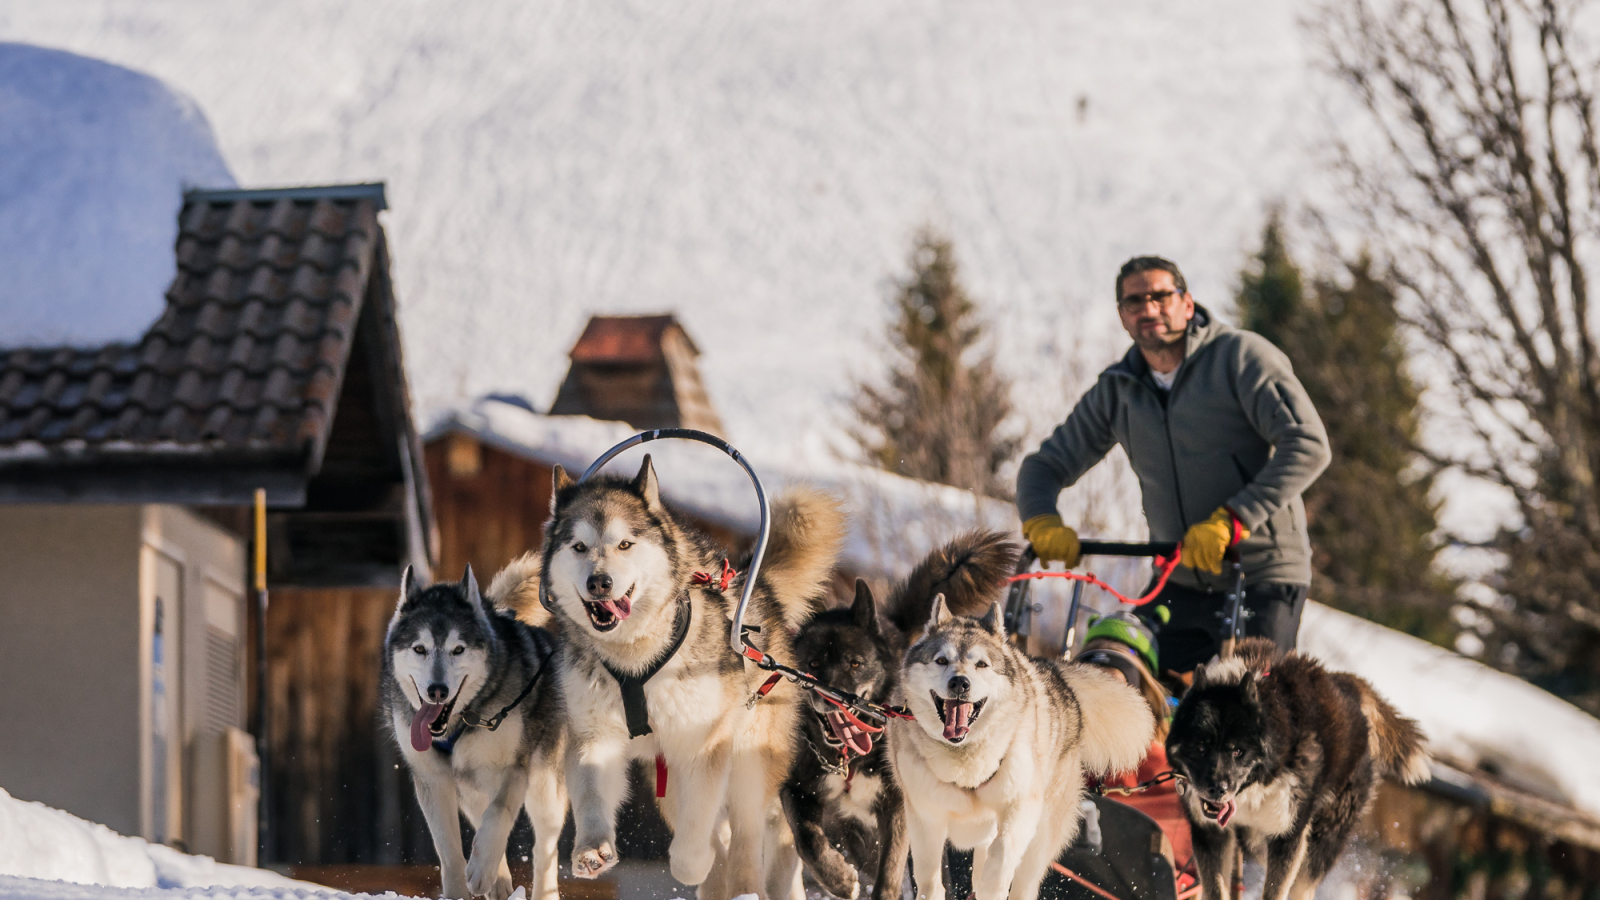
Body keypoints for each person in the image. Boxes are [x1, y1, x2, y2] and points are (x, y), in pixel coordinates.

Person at [1016, 255, 1331, 681]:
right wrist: (1041, 519)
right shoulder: (1119, 389)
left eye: (1161, 296)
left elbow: (1308, 444)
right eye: (1134, 302)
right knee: (1118, 681)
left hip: (1261, 574)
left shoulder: (1240, 358)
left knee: (1251, 704)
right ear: (1122, 317)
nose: (1148, 309)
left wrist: (1233, 520)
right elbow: (1044, 466)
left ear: (1187, 303)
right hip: (1178, 579)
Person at [1075, 610, 1194, 889]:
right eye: (1087, 684)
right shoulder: (1050, 755)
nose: (1099, 698)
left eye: (1111, 685)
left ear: (1141, 696)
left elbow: (1182, 875)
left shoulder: (1167, 772)